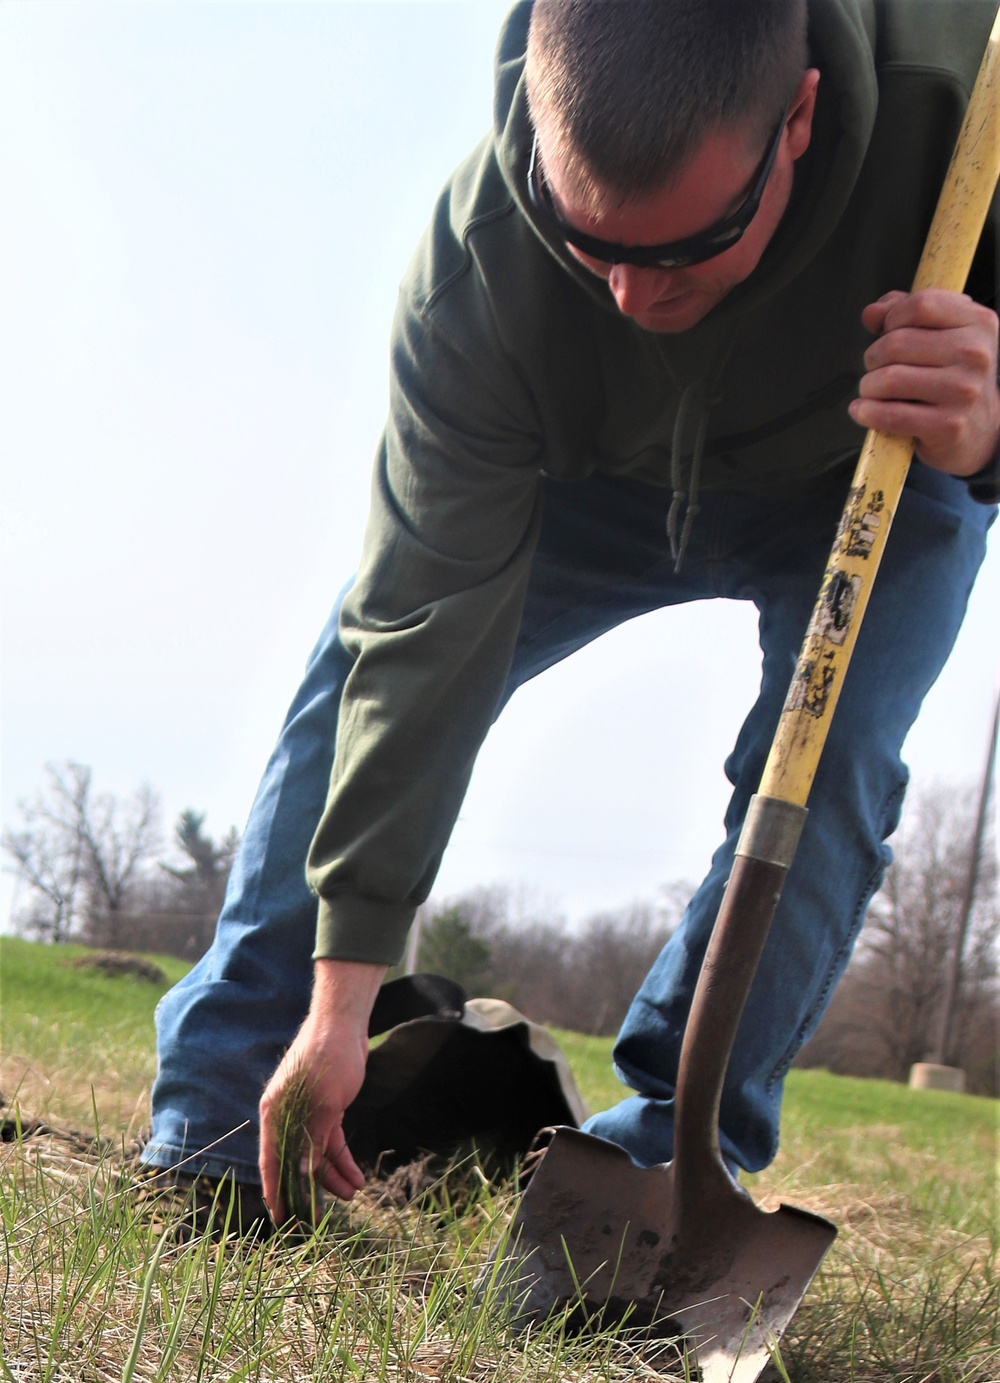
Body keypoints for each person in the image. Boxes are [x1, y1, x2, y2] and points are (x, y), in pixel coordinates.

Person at [142, 0, 998, 1226]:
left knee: (832, 765)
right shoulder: (480, 268)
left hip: (877, 457)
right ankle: (225, 1116)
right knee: (364, 657)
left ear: (799, 118)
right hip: (582, 464)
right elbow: (417, 642)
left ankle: (651, 1179)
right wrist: (341, 1003)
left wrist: (992, 419)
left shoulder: (959, 88)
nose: (632, 296)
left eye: (685, 247)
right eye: (588, 240)